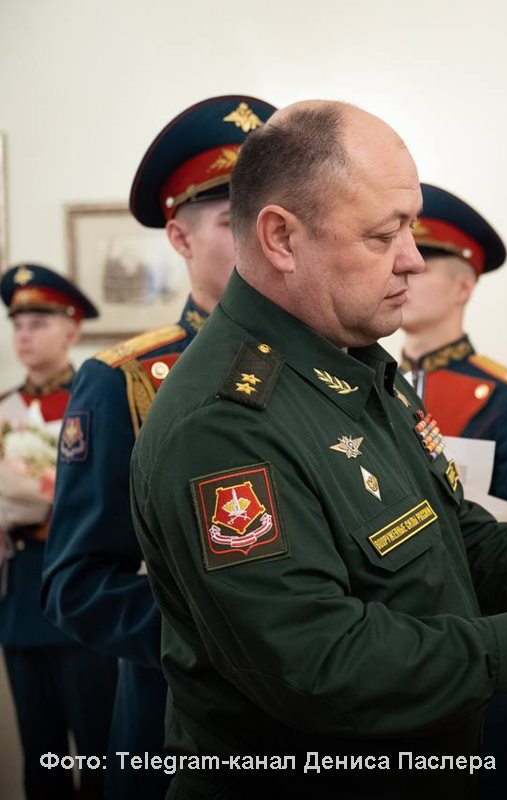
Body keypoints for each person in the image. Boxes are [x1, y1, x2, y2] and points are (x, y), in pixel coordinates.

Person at [127, 101, 507, 798]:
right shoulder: (224, 423)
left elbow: (454, 541)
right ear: (281, 239)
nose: (412, 260)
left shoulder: (351, 360)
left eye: (410, 227)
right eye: (384, 236)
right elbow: (319, 661)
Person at [41, 95, 275, 800]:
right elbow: (77, 584)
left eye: (277, 216)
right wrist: (227, 642)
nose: (262, 237)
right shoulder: (127, 383)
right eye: (233, 220)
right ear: (178, 238)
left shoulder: (339, 366)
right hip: (182, 733)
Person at [399, 183, 507, 798]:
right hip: (387, 663)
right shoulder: (363, 386)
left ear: (463, 284)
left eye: (421, 262)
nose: (402, 271)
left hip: (482, 655)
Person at [0, 263, 116, 799]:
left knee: (98, 746)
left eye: (38, 323)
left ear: (72, 329)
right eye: (17, 324)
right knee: (39, 751)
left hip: (80, 587)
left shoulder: (95, 401)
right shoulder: (3, 410)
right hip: (20, 591)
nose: (24, 335)